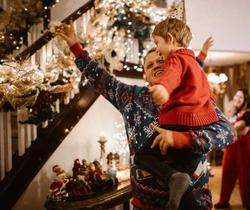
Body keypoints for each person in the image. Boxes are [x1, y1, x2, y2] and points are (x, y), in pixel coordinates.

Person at [57, 23, 236, 209]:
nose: (156, 66)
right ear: (145, 74)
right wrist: (75, 46)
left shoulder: (196, 96)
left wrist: (184, 139)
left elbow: (228, 132)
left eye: (161, 61)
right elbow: (99, 77)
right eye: (150, 65)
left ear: (173, 64)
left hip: (195, 201)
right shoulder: (130, 97)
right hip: (147, 203)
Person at [135, 18, 219, 209]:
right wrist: (204, 52)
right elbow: (195, 74)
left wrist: (163, 89)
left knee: (142, 156)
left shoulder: (175, 59)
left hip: (178, 123)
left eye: (157, 43)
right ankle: (177, 190)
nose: (157, 50)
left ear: (170, 39)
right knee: (183, 177)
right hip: (197, 126)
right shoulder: (194, 64)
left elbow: (172, 75)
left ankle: (173, 177)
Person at [214, 89, 250, 210]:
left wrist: (225, 127)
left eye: (241, 97)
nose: (237, 99)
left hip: (243, 147)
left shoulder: (248, 113)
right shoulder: (232, 113)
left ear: (245, 100)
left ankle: (248, 204)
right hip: (230, 147)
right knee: (227, 173)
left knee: (245, 176)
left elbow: (237, 127)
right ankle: (223, 201)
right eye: (236, 96)